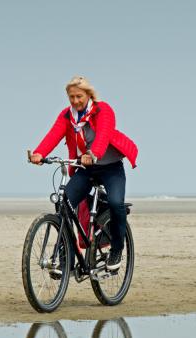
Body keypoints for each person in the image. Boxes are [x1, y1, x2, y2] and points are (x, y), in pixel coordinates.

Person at [29, 76, 138, 271]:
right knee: (64, 204)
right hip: (85, 169)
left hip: (111, 167)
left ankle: (116, 250)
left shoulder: (103, 110)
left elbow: (104, 134)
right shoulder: (67, 116)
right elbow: (54, 134)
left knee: (115, 203)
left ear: (89, 95)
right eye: (71, 97)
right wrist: (39, 153)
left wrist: (93, 153)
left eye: (79, 96)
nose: (75, 101)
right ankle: (65, 257)